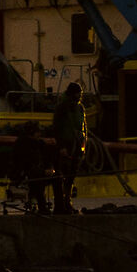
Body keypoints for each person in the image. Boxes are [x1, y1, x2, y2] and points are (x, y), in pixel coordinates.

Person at [49, 81, 88, 213]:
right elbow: (56, 128)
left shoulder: (80, 108)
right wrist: (61, 147)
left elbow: (83, 128)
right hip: (65, 145)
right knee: (61, 176)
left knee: (71, 177)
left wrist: (83, 146)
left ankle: (68, 202)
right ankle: (60, 205)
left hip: (76, 145)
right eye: (78, 93)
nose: (80, 96)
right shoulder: (62, 108)